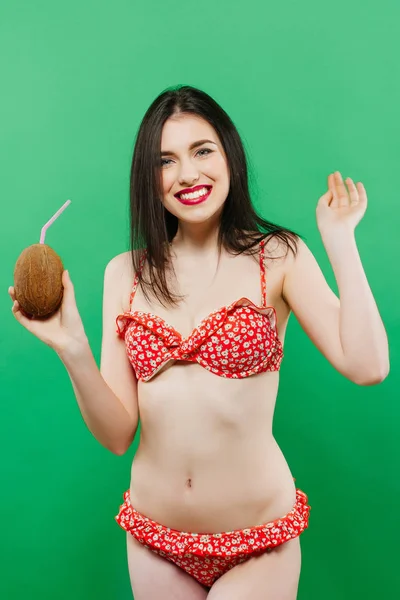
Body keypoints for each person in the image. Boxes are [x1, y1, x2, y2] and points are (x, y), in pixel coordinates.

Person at [9, 85, 389, 600]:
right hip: (154, 539)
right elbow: (118, 433)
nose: (188, 174)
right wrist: (71, 348)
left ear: (230, 155)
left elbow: (368, 366)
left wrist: (340, 240)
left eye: (202, 151)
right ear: (149, 177)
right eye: (166, 160)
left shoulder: (277, 256)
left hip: (258, 541)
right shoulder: (127, 273)